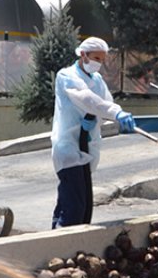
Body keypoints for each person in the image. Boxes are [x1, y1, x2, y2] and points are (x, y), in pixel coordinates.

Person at [50, 36, 136, 228]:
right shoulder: (67, 76)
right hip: (69, 147)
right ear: (83, 54)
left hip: (87, 147)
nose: (99, 64)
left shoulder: (97, 80)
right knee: (75, 208)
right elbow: (86, 99)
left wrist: (116, 113)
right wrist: (116, 113)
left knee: (78, 204)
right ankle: (64, 246)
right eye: (96, 58)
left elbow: (105, 101)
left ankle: (55, 239)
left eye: (102, 60)